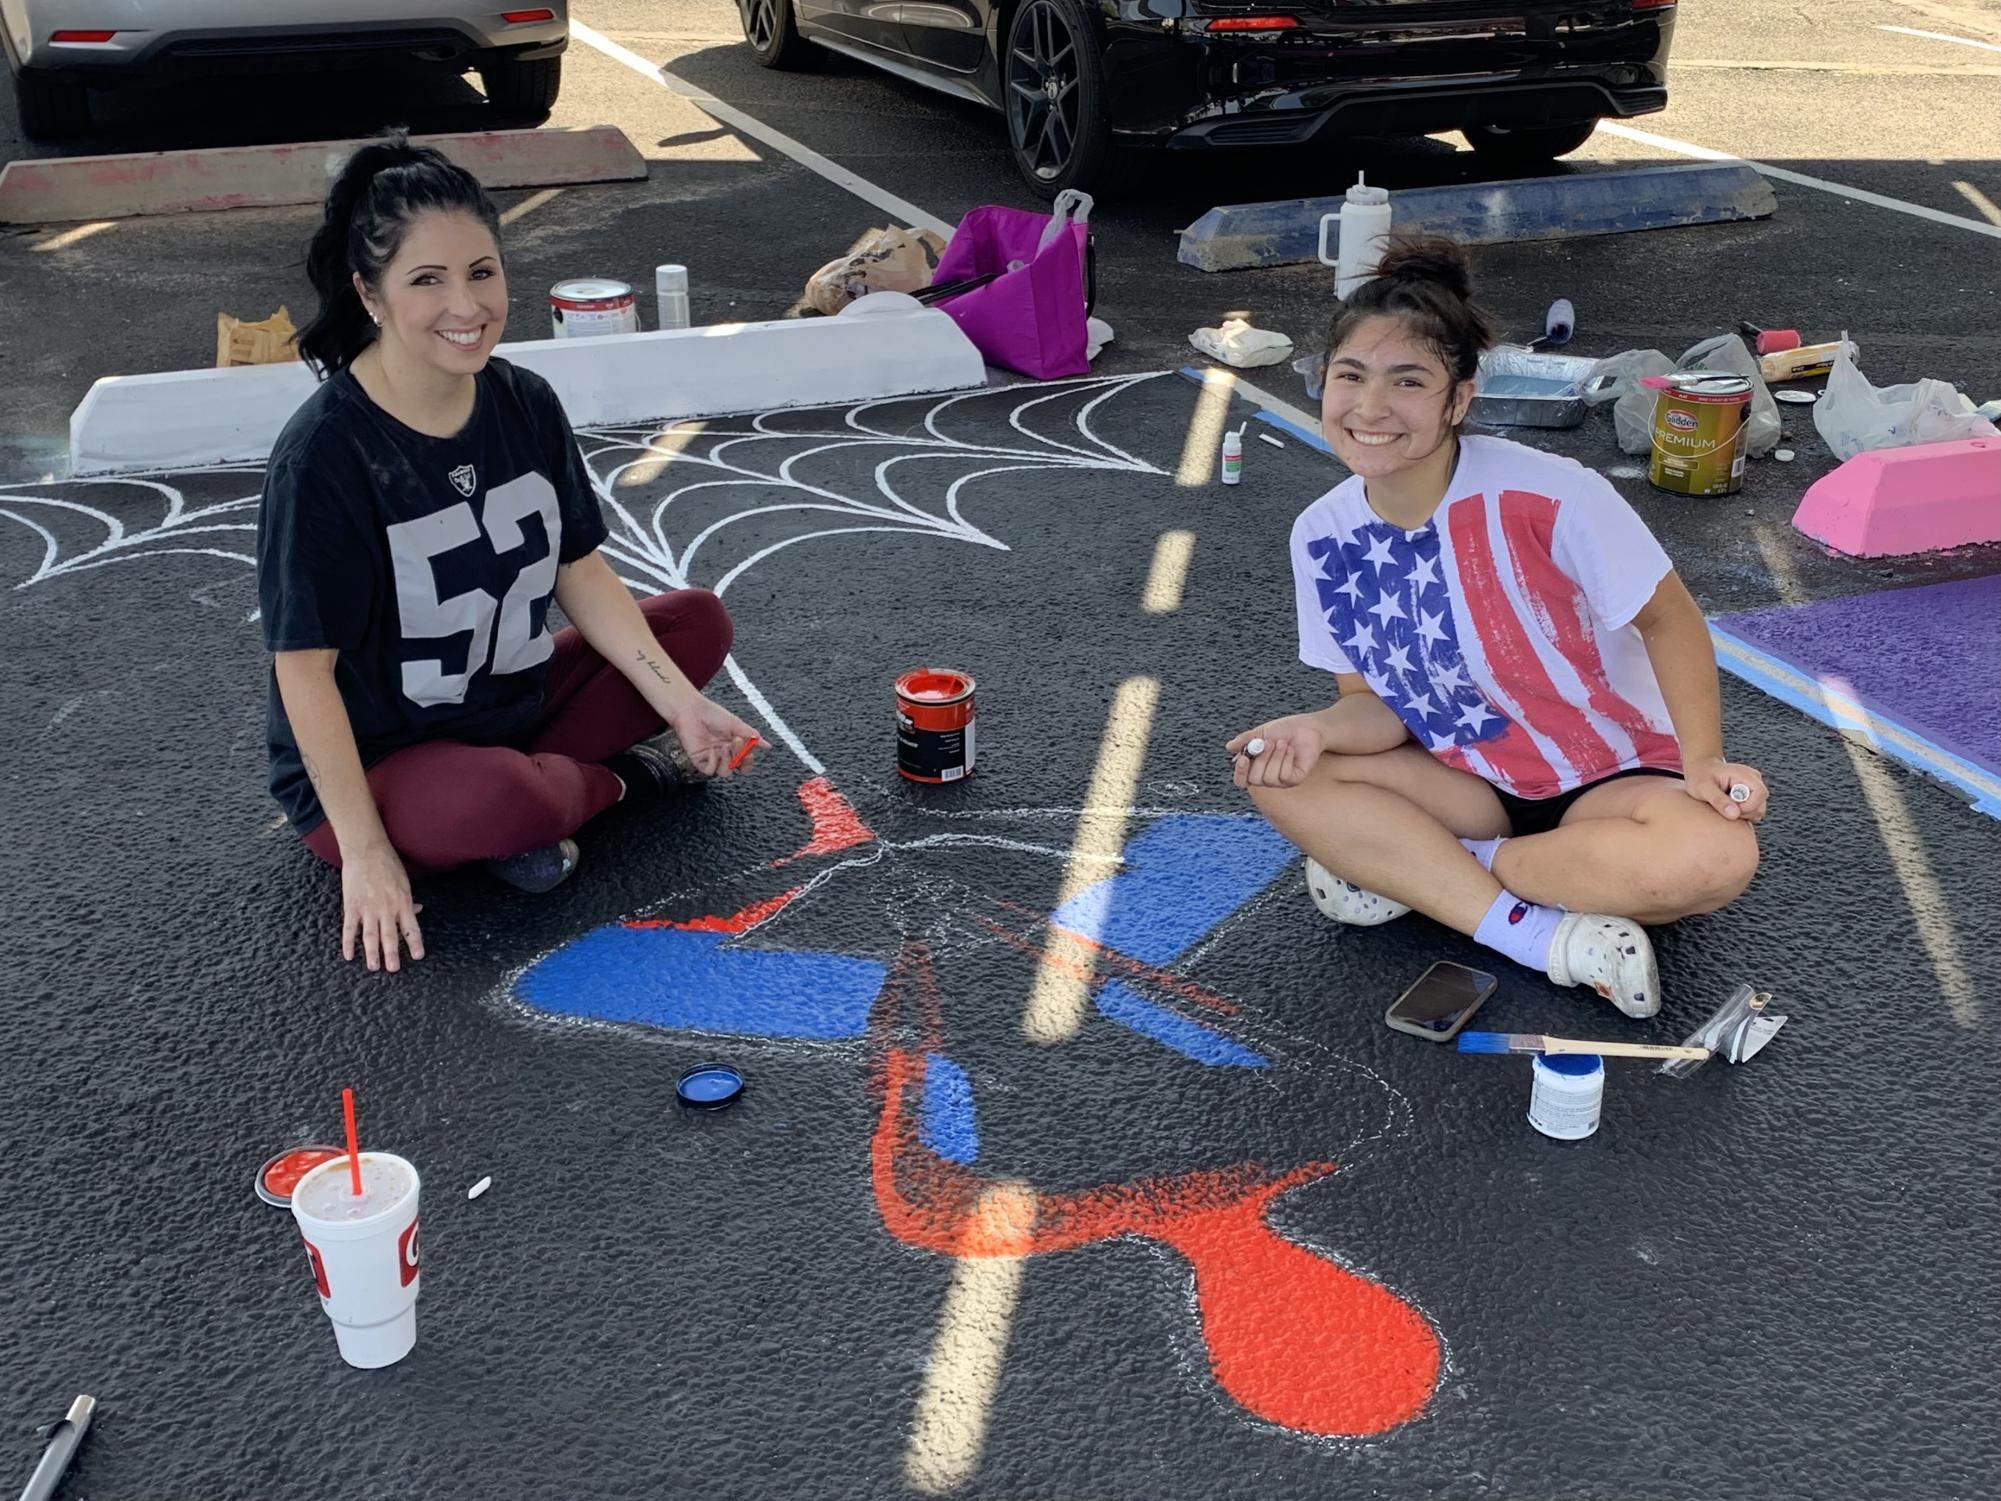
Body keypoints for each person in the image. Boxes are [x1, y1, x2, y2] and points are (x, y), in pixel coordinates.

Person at [258, 133, 758, 974]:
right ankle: (622, 782)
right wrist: (368, 854)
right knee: (493, 799)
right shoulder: (327, 455)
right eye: (428, 279)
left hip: (511, 704)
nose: (467, 304)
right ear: (369, 294)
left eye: (482, 271)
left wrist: (681, 703)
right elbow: (303, 671)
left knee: (695, 622)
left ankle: (541, 799)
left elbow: (576, 567)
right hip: (385, 760)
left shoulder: (523, 400)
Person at [1228, 238, 1765, 1018]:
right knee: (1277, 770)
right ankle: (1535, 935)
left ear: (1459, 399)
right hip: (1466, 781)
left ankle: (1433, 872)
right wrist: (1311, 728)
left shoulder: (1549, 493)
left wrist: (1703, 758)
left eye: (1406, 381)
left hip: (1611, 775)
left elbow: (1667, 617)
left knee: (1712, 857)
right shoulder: (1320, 533)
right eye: (1349, 376)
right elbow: (1371, 707)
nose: (1370, 407)